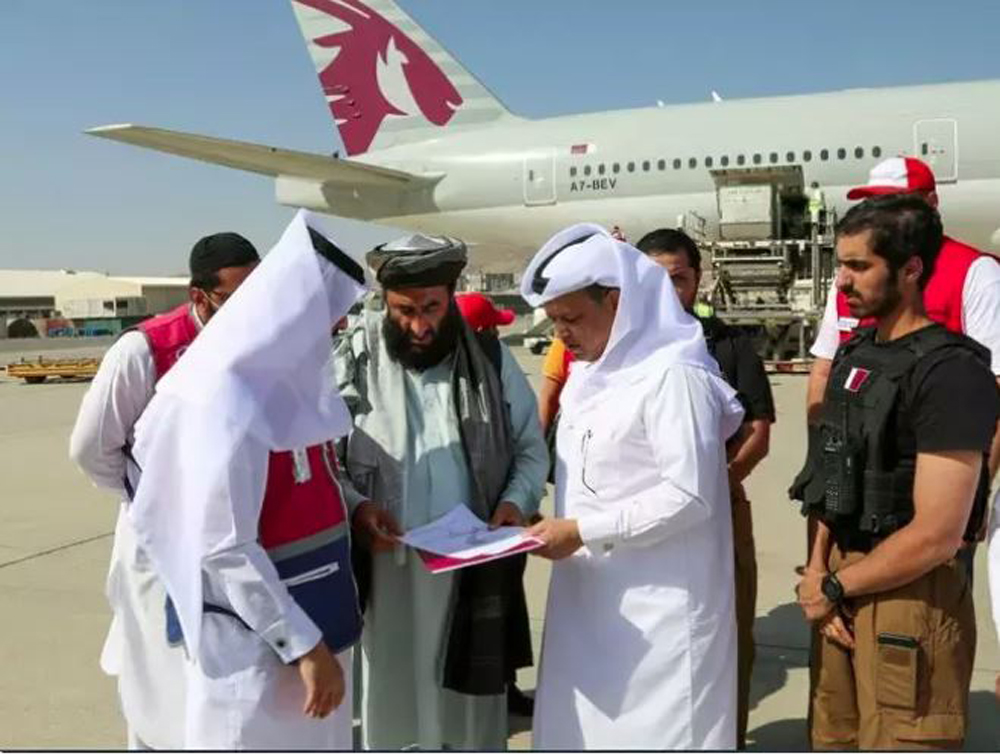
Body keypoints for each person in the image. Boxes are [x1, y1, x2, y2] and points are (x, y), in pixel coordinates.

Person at [124, 211, 368, 749]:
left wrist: (356, 508)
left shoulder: (277, 386)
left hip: (307, 630)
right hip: (256, 654)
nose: (337, 331)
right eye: (329, 320)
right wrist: (306, 647)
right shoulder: (226, 399)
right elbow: (224, 548)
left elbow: (308, 479)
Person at [520, 224, 745, 750]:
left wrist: (582, 529)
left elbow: (689, 495)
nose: (562, 336)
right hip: (590, 604)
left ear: (618, 302)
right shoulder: (588, 373)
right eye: (554, 322)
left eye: (572, 319)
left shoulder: (673, 376)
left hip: (660, 618)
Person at [796, 195, 999, 749]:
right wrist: (817, 574)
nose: (842, 281)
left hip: (910, 593)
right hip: (838, 583)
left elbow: (938, 534)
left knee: (903, 740)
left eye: (859, 266)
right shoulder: (856, 355)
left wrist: (837, 585)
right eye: (841, 264)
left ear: (911, 269)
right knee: (833, 738)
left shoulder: (952, 373)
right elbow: (828, 475)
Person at [333, 233, 548, 750]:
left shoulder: (491, 363)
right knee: (391, 689)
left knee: (467, 710)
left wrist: (514, 503)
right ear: (384, 302)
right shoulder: (354, 360)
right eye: (405, 310)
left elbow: (531, 449)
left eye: (432, 307)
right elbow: (324, 459)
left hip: (469, 568)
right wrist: (358, 508)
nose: (420, 324)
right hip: (388, 570)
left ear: (451, 295)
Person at [68, 232, 260, 749]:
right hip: (158, 547)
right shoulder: (143, 350)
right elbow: (91, 448)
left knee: (221, 685)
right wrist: (151, 501)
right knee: (161, 682)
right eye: (235, 298)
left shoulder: (256, 342)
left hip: (230, 544)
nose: (250, 310)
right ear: (199, 297)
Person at [636, 227, 775, 749]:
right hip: (642, 517)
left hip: (721, 508)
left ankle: (725, 739)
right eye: (656, 279)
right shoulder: (618, 348)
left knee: (728, 638)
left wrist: (712, 487)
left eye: (680, 279)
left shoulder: (729, 344)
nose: (669, 291)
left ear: (698, 280)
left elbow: (758, 433)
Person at [454, 290, 537, 719]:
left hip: (500, 516)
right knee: (495, 611)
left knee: (501, 607)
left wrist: (518, 497)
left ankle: (501, 688)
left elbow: (527, 441)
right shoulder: (488, 358)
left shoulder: (496, 364)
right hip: (487, 521)